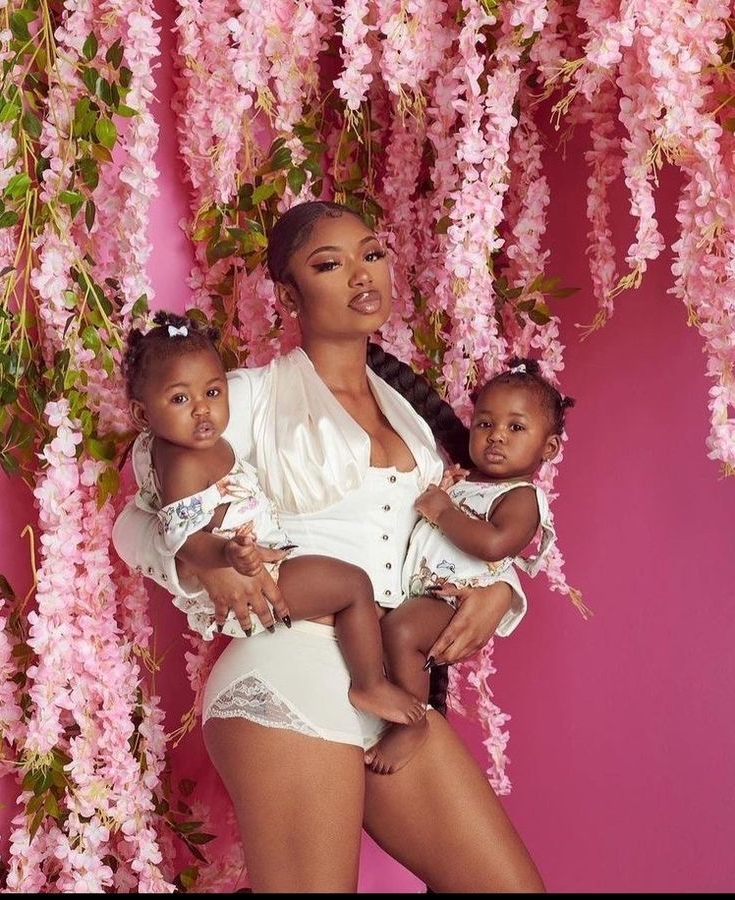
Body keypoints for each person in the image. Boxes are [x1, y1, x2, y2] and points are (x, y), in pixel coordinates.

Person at [112, 200, 546, 892]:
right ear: (289, 294)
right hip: (289, 672)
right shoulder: (246, 397)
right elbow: (133, 522)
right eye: (328, 264)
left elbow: (454, 530)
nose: (359, 275)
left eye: (371, 254)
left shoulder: (415, 411)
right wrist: (202, 566)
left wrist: (501, 590)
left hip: (385, 682)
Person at [120, 309, 426, 726]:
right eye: (179, 399)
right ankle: (368, 685)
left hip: (267, 566)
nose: (202, 410)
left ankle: (372, 681)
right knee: (354, 585)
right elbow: (185, 539)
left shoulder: (195, 448)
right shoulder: (182, 462)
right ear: (142, 415)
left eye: (213, 393)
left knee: (356, 602)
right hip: (260, 583)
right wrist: (227, 557)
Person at [369, 357, 573, 774]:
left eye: (516, 428)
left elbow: (496, 544)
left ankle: (413, 721)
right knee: (378, 629)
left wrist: (443, 511)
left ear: (548, 447)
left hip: (453, 600)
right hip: (422, 589)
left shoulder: (521, 497)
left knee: (401, 630)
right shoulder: (465, 481)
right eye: (485, 424)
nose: (496, 436)